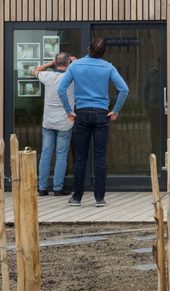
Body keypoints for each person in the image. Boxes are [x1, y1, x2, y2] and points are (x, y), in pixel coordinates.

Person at [58, 37, 129, 207]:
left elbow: (61, 89)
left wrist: (69, 111)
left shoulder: (75, 65)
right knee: (100, 157)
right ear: (103, 52)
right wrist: (115, 110)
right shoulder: (108, 67)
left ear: (88, 48)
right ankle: (99, 198)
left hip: (81, 113)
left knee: (80, 158)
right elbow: (124, 89)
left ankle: (77, 197)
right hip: (101, 114)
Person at [33, 52, 75, 196]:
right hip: (65, 122)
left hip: (48, 121)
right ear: (68, 63)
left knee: (46, 154)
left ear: (56, 63)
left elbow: (35, 71)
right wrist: (74, 61)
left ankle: (42, 188)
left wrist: (51, 63)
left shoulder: (48, 76)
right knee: (61, 155)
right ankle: (58, 188)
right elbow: (83, 68)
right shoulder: (71, 78)